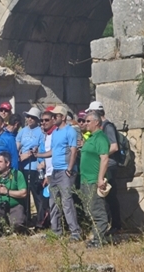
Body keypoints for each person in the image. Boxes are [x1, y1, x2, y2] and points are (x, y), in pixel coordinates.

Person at [36, 106, 81, 241]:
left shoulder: (70, 131)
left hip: (65, 171)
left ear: (62, 116)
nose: (53, 118)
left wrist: (70, 168)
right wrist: (38, 154)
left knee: (67, 201)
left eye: (55, 116)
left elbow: (74, 150)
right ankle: (56, 231)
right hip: (55, 171)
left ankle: (75, 232)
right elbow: (53, 151)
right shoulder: (55, 133)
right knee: (53, 202)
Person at [88, 100, 123, 232]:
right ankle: (110, 224)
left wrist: (101, 154)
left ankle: (115, 225)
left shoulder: (107, 126)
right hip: (105, 164)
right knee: (105, 196)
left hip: (109, 165)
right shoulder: (103, 126)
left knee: (110, 195)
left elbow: (114, 147)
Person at [79, 110, 111, 248]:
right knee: (89, 210)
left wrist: (100, 179)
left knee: (98, 212)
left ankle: (98, 241)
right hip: (85, 180)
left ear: (96, 122)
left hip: (94, 180)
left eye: (88, 121)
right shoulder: (91, 137)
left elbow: (104, 159)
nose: (85, 124)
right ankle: (97, 238)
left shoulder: (101, 138)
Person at [16, 106, 46, 226]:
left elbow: (40, 148)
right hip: (23, 166)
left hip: (34, 166)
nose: (29, 119)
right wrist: (18, 154)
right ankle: (26, 218)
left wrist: (31, 154)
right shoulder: (22, 131)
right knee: (25, 193)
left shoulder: (40, 132)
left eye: (32, 117)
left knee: (36, 193)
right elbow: (18, 144)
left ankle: (40, 219)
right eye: (28, 117)